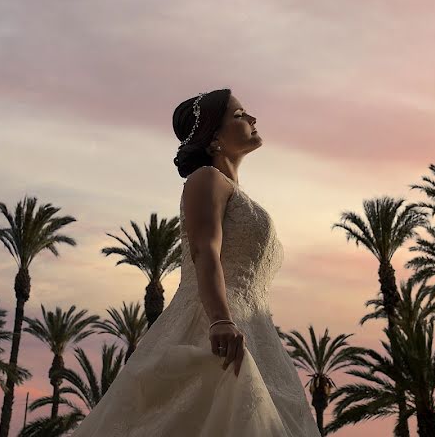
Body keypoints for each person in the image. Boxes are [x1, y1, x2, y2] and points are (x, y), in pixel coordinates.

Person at [68, 88, 322, 436]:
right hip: (213, 322)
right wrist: (219, 320)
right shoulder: (206, 179)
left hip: (254, 329)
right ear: (214, 136)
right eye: (238, 114)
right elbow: (205, 251)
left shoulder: (234, 191)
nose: (251, 118)